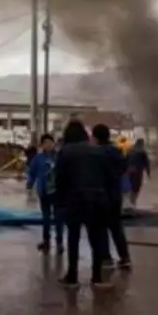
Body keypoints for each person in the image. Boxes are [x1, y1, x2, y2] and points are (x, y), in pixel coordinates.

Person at [54, 119, 113, 290]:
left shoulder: (66, 151)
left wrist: (60, 202)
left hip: (75, 199)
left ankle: (72, 277)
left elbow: (60, 178)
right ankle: (97, 277)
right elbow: (108, 176)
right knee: (96, 239)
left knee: (73, 238)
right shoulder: (97, 150)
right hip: (98, 198)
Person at [92, 124, 132, 270]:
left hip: (101, 195)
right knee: (116, 227)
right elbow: (124, 169)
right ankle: (125, 258)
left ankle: (106, 258)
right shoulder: (118, 152)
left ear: (95, 137)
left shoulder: (96, 154)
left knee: (101, 227)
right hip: (115, 195)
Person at [26, 133, 63, 254]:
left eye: (50, 142)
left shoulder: (59, 157)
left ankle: (59, 242)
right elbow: (32, 173)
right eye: (45, 143)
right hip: (44, 192)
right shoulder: (38, 159)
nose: (48, 145)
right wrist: (29, 186)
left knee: (59, 218)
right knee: (46, 218)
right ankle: (46, 241)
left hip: (57, 192)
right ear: (42, 145)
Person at [127, 138, 151, 207]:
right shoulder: (142, 152)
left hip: (130, 172)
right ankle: (133, 202)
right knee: (136, 188)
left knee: (131, 187)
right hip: (137, 172)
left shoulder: (130, 150)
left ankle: (131, 202)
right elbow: (147, 164)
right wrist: (148, 173)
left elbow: (125, 161)